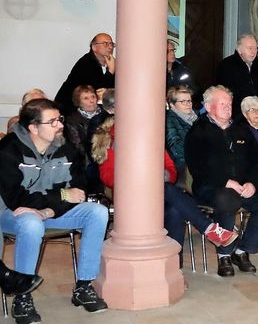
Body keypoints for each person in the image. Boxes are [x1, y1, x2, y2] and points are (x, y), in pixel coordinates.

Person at [0, 99, 109, 322]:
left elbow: (79, 191)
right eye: (53, 122)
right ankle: (22, 296)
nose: (60, 125)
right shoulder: (8, 150)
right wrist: (59, 196)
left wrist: (49, 210)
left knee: (97, 213)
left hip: (50, 212)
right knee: (31, 222)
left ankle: (83, 286)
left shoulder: (65, 148)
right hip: (11, 213)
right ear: (33, 128)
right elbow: (16, 199)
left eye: (59, 119)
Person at [92, 117, 238, 259]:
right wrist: (138, 179)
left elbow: (170, 169)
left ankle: (175, 265)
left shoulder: (150, 142)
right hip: (131, 197)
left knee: (174, 209)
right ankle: (209, 228)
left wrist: (162, 175)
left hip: (158, 194)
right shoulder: (111, 144)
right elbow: (108, 177)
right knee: (167, 191)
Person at [184, 86, 258, 278]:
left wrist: (252, 183)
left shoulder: (241, 129)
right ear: (208, 107)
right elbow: (197, 166)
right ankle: (224, 254)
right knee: (227, 200)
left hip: (243, 186)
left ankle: (242, 251)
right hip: (211, 187)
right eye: (222, 103)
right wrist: (226, 182)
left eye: (229, 103)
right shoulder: (198, 131)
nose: (227, 107)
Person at [215, 34, 258, 124]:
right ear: (239, 50)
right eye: (250, 48)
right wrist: (249, 104)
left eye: (255, 48)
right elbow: (225, 92)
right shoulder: (227, 65)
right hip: (239, 118)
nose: (253, 52)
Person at [54, 33, 115, 108]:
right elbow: (97, 92)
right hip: (70, 109)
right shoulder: (86, 63)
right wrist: (110, 72)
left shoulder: (113, 64)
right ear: (94, 47)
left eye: (111, 44)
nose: (110, 47)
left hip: (95, 110)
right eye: (105, 43)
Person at [62, 85, 101, 173]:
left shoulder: (105, 115)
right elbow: (78, 147)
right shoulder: (72, 120)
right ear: (78, 102)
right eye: (86, 98)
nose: (91, 101)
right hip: (86, 163)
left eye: (93, 96)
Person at [164, 86, 196, 184]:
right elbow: (176, 148)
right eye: (183, 101)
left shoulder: (197, 119)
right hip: (183, 168)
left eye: (189, 101)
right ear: (172, 105)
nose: (188, 104)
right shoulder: (169, 120)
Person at [166, 40, 199, 106]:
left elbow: (194, 88)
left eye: (173, 50)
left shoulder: (182, 68)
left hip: (183, 104)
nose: (172, 53)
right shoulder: (157, 71)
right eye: (168, 51)